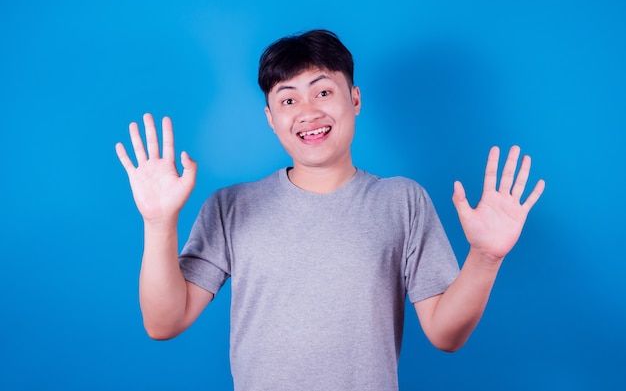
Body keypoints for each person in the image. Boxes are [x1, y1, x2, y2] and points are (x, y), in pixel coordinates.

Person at [115, 29, 545, 390]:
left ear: (354, 98)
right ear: (269, 117)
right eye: (288, 100)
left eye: (323, 91)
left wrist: (486, 258)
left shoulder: (401, 200)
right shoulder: (231, 206)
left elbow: (445, 333)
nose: (308, 112)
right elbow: (164, 323)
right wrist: (158, 223)